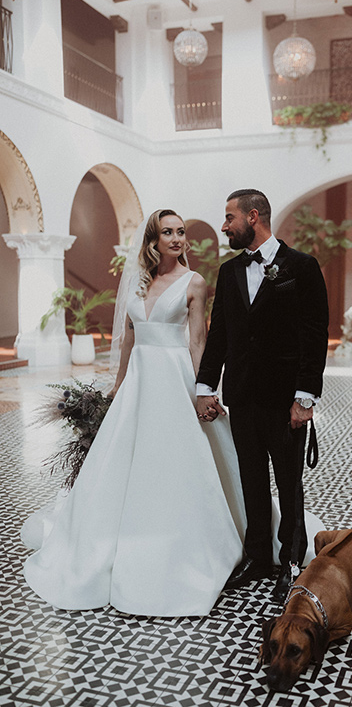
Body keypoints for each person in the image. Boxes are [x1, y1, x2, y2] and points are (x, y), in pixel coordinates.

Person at [22, 209, 248, 617]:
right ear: (152, 240)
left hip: (174, 379)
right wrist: (119, 385)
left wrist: (204, 392)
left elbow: (198, 341)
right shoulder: (138, 282)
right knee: (125, 462)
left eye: (181, 232)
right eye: (168, 232)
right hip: (139, 384)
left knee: (176, 462)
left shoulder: (194, 283)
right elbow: (127, 340)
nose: (178, 239)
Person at [196, 189, 329, 603]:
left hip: (285, 401)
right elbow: (219, 333)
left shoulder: (302, 267)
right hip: (243, 397)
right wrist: (205, 387)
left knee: (289, 486)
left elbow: (314, 334)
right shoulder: (229, 271)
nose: (223, 226)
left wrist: (305, 397)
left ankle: (291, 561)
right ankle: (257, 557)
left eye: (229, 217)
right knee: (251, 481)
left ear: (253, 217)